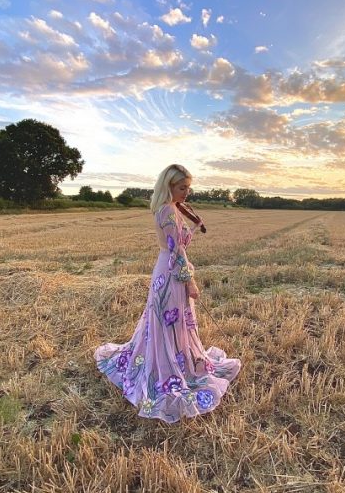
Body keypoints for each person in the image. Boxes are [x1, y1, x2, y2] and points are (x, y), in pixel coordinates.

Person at [94, 164, 241, 423]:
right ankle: (167, 369)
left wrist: (193, 224)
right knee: (168, 324)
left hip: (168, 270)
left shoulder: (171, 209)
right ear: (169, 186)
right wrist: (190, 283)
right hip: (172, 273)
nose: (187, 192)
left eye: (188, 187)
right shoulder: (167, 211)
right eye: (182, 188)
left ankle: (176, 358)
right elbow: (176, 251)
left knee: (171, 324)